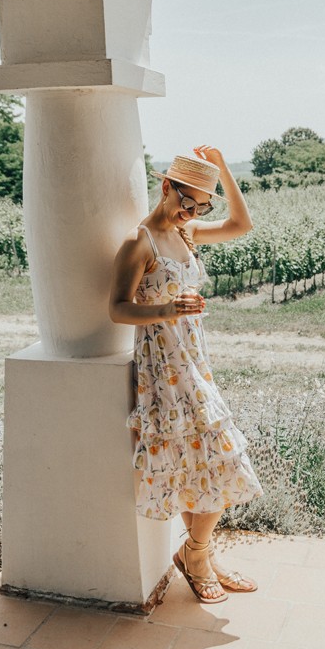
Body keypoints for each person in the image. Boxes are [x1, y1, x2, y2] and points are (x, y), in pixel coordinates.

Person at [109, 145, 264, 604]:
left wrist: (224, 169)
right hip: (164, 367)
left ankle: (198, 553)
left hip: (194, 360)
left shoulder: (189, 231)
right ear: (166, 187)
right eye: (187, 202)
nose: (191, 212)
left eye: (202, 206)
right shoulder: (141, 242)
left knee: (204, 458)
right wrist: (167, 308)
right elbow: (116, 309)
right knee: (220, 451)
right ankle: (197, 556)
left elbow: (242, 225)